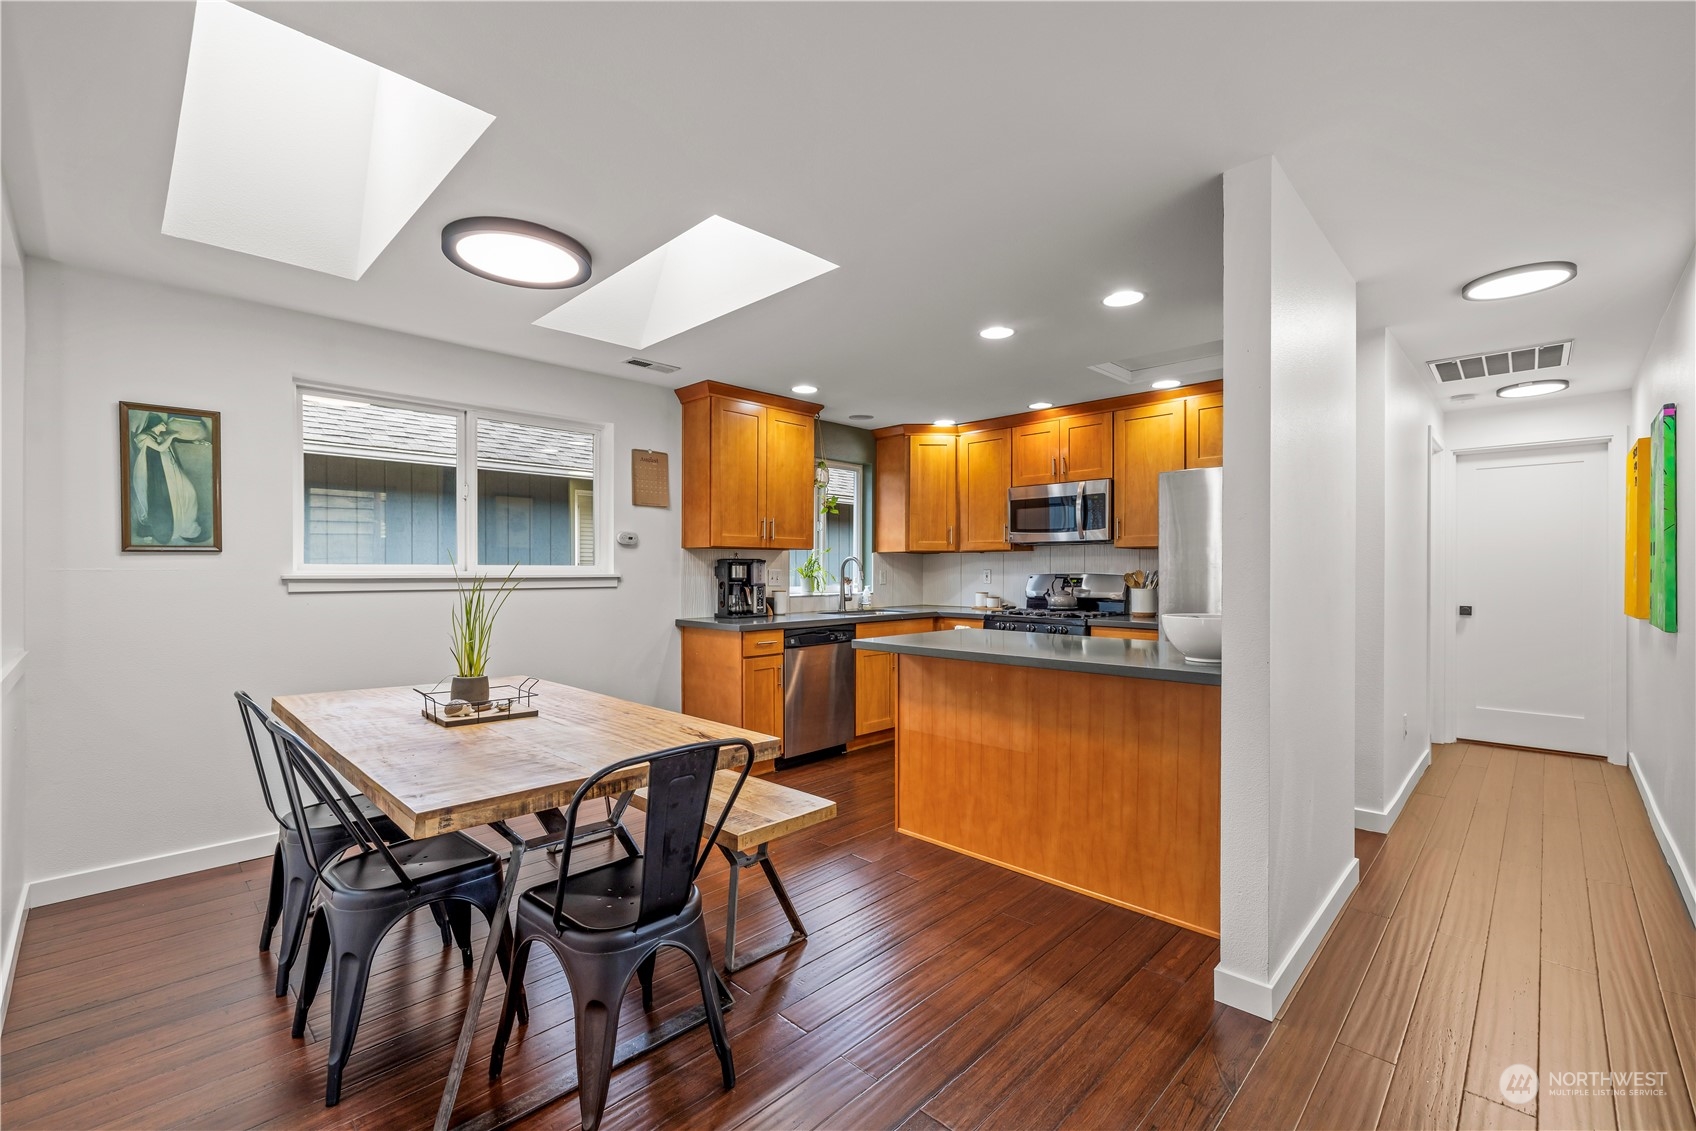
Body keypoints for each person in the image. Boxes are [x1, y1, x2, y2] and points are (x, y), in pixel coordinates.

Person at [131, 413, 209, 544]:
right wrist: (172, 436)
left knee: (189, 493)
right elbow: (160, 448)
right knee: (173, 499)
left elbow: (168, 444)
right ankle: (181, 526)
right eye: (161, 423)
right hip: (158, 475)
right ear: (154, 425)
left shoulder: (158, 436)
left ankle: (187, 524)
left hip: (170, 471)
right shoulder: (143, 436)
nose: (164, 425)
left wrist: (195, 441)